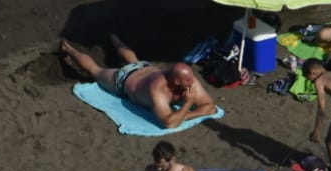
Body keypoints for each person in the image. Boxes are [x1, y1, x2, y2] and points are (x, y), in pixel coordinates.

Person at [59, 34, 217, 129]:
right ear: (175, 82)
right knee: (96, 71)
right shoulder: (158, 89)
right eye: (187, 80)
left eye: (190, 78)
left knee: (133, 60)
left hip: (145, 68)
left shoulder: (188, 80)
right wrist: (188, 104)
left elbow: (211, 108)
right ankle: (68, 48)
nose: (192, 82)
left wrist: (183, 115)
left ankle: (113, 37)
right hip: (125, 79)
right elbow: (168, 123)